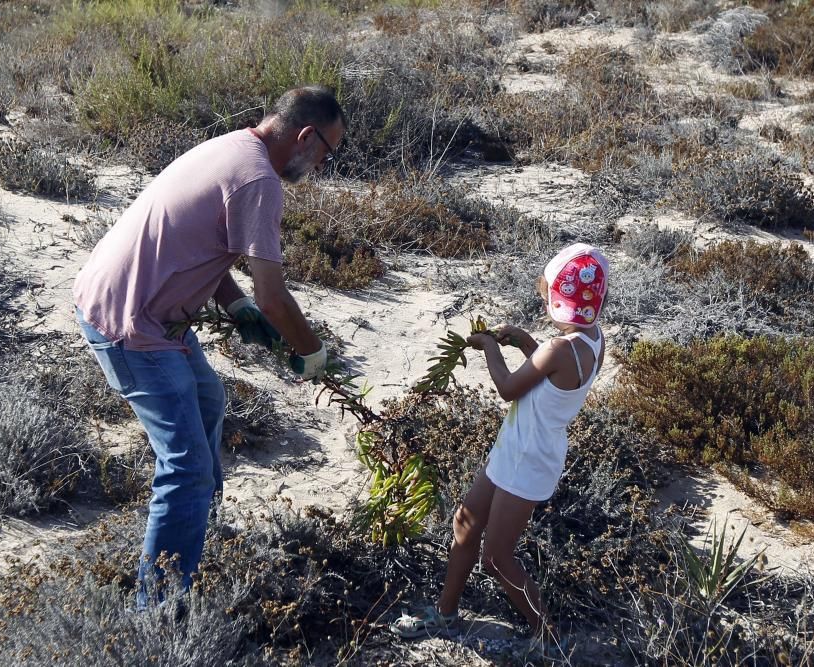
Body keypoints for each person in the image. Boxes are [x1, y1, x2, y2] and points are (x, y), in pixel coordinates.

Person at [72, 85, 345, 608]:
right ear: (306, 136)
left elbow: (205, 245)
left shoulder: (233, 147)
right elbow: (275, 298)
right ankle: (158, 612)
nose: (323, 164)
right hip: (135, 326)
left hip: (130, 304)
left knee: (208, 401)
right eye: (327, 151)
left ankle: (197, 533)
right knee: (187, 470)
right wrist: (313, 354)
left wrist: (234, 303)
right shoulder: (260, 180)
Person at [390, 243, 609, 659]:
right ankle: (446, 612)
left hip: (527, 459)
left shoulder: (559, 349)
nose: (542, 299)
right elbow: (553, 379)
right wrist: (526, 341)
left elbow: (510, 388)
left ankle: (547, 633)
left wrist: (489, 347)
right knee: (465, 523)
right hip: (521, 447)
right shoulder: (591, 341)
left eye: (546, 295)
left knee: (496, 556)